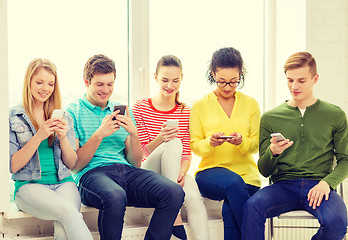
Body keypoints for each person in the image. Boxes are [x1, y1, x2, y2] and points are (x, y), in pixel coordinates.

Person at [65, 54, 185, 240]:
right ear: (86, 81)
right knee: (115, 196)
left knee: (174, 192)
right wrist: (99, 134)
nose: (106, 90)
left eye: (110, 84)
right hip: (92, 175)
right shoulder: (73, 111)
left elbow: (135, 163)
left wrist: (134, 133)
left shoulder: (121, 110)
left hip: (126, 171)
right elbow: (75, 166)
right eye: (100, 84)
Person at [242, 52, 348, 240]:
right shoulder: (270, 118)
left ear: (315, 78)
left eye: (301, 80)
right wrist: (272, 152)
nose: (294, 86)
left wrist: (327, 183)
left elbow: (345, 160)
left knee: (337, 222)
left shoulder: (335, 115)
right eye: (290, 80)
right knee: (252, 206)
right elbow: (264, 171)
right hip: (283, 187)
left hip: (319, 187)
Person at [9, 58, 93, 240]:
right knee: (69, 213)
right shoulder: (13, 116)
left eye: (51, 84)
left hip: (64, 182)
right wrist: (39, 135)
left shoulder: (64, 117)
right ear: (28, 82)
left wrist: (63, 138)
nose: (45, 88)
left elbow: (71, 164)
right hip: (29, 187)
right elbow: (13, 166)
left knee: (64, 227)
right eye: (39, 82)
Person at [132, 55, 209, 240]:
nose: (170, 85)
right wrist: (160, 138)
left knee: (194, 198)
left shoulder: (185, 111)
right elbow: (139, 154)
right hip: (149, 171)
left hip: (175, 172)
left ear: (182, 78)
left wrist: (182, 172)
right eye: (165, 80)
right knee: (173, 142)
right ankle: (174, 214)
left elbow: (186, 154)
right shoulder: (140, 108)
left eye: (175, 80)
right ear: (155, 77)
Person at [190, 47, 261, 240]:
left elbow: (256, 145)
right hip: (210, 173)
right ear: (213, 74)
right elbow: (195, 146)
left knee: (230, 213)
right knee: (233, 182)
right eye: (221, 82)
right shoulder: (199, 106)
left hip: (247, 176)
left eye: (233, 81)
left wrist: (242, 141)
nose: (228, 87)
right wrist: (210, 143)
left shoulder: (251, 104)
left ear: (240, 75)